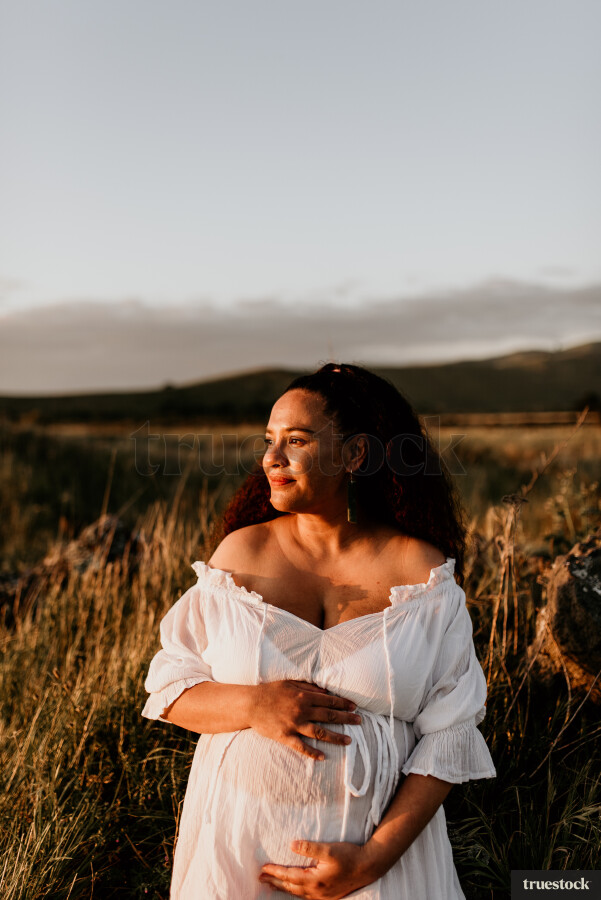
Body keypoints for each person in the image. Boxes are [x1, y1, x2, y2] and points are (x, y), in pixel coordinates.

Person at [142, 363, 496, 899]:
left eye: (296, 441)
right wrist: (252, 705)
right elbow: (170, 689)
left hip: (379, 868)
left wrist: (373, 859)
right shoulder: (241, 555)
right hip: (241, 854)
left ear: (354, 455)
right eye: (268, 440)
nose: (270, 459)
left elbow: (450, 732)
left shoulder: (421, 574)